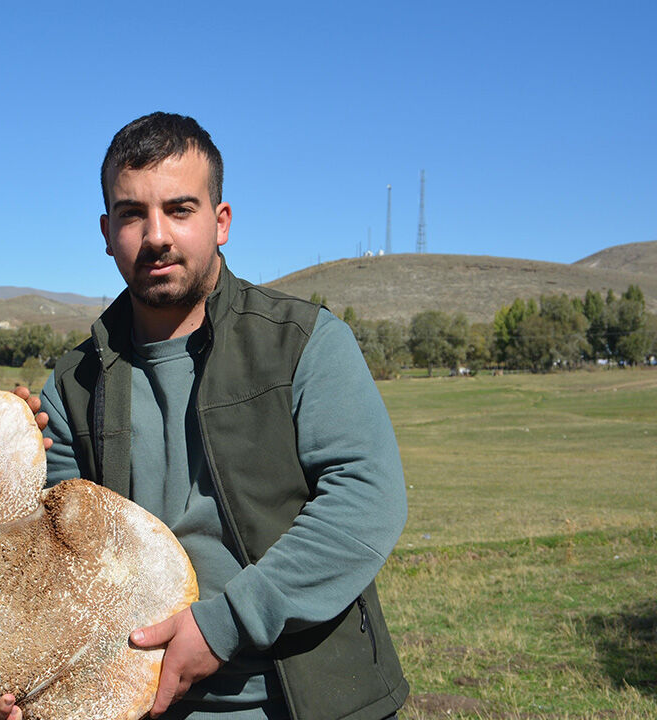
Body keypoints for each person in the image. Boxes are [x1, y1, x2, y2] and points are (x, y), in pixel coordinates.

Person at [38, 113, 409, 719]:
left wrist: (222, 627)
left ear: (221, 221)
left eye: (180, 209)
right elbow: (58, 553)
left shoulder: (304, 342)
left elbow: (366, 500)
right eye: (133, 214)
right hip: (140, 701)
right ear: (107, 232)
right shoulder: (71, 384)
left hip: (308, 697)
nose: (156, 234)